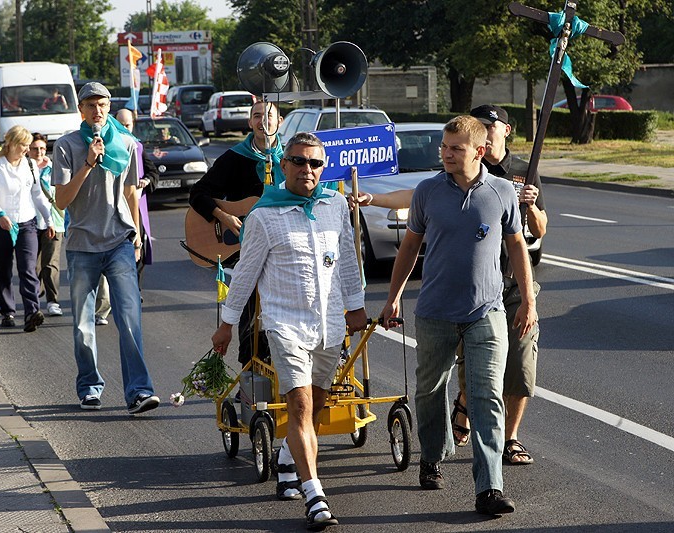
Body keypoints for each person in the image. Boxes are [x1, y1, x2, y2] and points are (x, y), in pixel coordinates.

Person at [379, 115, 537, 516]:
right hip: (434, 312)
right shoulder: (427, 192)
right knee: (430, 391)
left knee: (486, 397)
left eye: (456, 149)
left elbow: (517, 246)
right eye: (444, 148)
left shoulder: (502, 191)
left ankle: (489, 487)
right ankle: (432, 456)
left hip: (487, 311)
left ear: (479, 151)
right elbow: (410, 247)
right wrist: (393, 296)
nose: (446, 155)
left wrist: (530, 302)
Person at [212, 132, 367, 530]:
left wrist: (356, 306)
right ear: (284, 165)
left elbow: (348, 258)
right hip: (285, 325)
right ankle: (315, 495)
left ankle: (286, 458)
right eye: (299, 161)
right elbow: (244, 274)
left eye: (315, 163)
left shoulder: (334, 205)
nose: (307, 170)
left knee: (316, 406)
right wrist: (227, 325)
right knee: (298, 405)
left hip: (329, 324)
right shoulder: (265, 215)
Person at [444, 105, 546, 463]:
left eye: (492, 125)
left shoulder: (524, 172)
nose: (486, 130)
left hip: (516, 285)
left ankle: (509, 439)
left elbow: (539, 230)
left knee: (518, 364)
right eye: (481, 125)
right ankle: (464, 402)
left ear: (507, 130)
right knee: (477, 363)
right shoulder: (468, 169)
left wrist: (529, 206)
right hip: (475, 286)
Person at [52, 82, 159, 414]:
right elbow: (61, 200)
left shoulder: (126, 143)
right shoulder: (66, 146)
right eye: (91, 105)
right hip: (83, 245)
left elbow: (130, 194)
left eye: (103, 105)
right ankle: (90, 388)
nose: (97, 111)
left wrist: (138, 235)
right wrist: (87, 164)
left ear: (109, 107)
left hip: (119, 243)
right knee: (84, 325)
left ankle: (139, 392)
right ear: (80, 110)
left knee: (130, 320)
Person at [190, 100, 285, 370]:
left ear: (280, 122)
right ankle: (251, 381)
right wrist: (224, 216)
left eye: (269, 116)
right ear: (249, 123)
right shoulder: (235, 157)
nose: (263, 121)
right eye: (257, 116)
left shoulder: (292, 158)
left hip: (284, 252)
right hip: (249, 251)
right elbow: (198, 193)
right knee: (252, 321)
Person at [0, 125, 53, 332]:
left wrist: (48, 219)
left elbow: (37, 194)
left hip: (26, 223)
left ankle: (32, 312)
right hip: (1, 224)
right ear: (12, 144)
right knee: (2, 269)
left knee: (28, 268)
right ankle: (7, 311)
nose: (27, 149)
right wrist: (0, 215)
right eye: (24, 145)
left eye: (28, 146)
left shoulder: (30, 165)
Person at [95, 109, 160, 325]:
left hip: (134, 207)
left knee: (136, 249)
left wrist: (146, 181)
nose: (125, 128)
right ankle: (106, 303)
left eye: (128, 125)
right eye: (121, 124)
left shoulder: (137, 147)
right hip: (108, 209)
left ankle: (133, 290)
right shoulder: (105, 145)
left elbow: (153, 173)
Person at [29, 132, 66, 317]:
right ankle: (36, 296)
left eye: (42, 148)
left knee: (50, 264)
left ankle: (53, 301)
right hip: (30, 222)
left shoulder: (54, 168)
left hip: (55, 222)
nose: (39, 152)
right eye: (35, 148)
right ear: (28, 149)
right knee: (32, 265)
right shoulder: (24, 169)